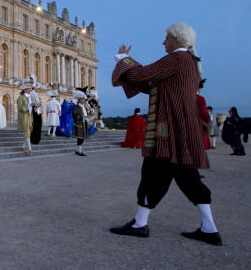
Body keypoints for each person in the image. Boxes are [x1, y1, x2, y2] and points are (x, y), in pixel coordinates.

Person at [109, 22, 222, 246]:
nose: (163, 42)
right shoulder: (188, 61)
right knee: (188, 177)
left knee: (154, 172)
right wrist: (128, 65)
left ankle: (140, 224)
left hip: (169, 129)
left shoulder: (177, 58)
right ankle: (209, 229)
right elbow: (151, 83)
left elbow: (143, 74)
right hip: (183, 128)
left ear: (177, 39)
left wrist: (123, 60)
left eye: (166, 38)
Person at [17, 78, 34, 155]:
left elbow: (32, 105)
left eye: (30, 89)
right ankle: (30, 149)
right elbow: (20, 107)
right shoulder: (21, 97)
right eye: (28, 89)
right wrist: (28, 106)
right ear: (24, 90)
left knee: (28, 132)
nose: (30, 90)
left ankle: (23, 147)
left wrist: (35, 106)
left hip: (30, 116)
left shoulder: (31, 97)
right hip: (24, 117)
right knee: (27, 132)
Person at [72, 91, 89, 156]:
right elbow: (74, 115)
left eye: (84, 99)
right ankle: (79, 151)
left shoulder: (83, 106)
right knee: (80, 137)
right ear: (79, 100)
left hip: (84, 123)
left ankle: (77, 150)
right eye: (83, 99)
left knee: (83, 137)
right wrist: (81, 118)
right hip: (79, 124)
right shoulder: (76, 107)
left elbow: (85, 114)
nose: (84, 100)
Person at [196, 79, 212, 150]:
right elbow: (204, 114)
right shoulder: (200, 99)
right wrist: (209, 118)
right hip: (199, 124)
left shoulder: (183, 96)